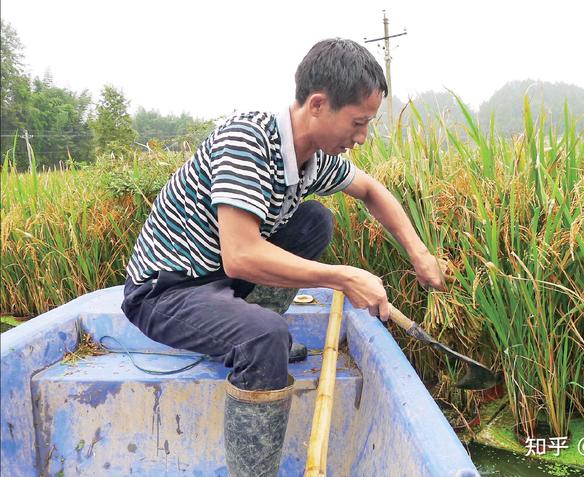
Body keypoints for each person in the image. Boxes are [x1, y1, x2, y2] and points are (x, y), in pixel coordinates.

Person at [120, 38, 446, 476]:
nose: (362, 138)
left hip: (219, 280)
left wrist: (420, 255)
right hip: (168, 291)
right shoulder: (248, 140)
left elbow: (371, 190)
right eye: (358, 123)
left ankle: (244, 324)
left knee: (314, 221)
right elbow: (240, 255)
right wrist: (343, 277)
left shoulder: (315, 156)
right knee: (264, 336)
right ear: (317, 105)